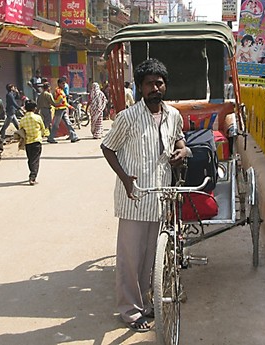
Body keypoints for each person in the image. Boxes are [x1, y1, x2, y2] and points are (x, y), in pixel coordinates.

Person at [100, 58, 191, 332]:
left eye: (159, 83)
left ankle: (148, 304)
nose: (156, 88)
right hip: (135, 199)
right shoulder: (127, 117)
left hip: (161, 197)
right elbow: (108, 148)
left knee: (153, 259)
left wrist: (183, 151)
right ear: (140, 87)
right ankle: (130, 311)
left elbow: (179, 139)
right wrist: (125, 178)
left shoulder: (173, 115)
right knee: (130, 260)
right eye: (150, 83)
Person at [19, 99, 49, 185]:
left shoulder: (23, 119)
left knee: (30, 159)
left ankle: (32, 173)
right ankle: (32, 177)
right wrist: (43, 135)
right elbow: (43, 128)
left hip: (28, 142)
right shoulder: (38, 117)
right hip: (36, 141)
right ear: (35, 108)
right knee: (35, 160)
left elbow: (20, 130)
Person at [46, 78, 80, 143]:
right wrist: (70, 106)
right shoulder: (58, 91)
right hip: (59, 109)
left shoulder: (61, 90)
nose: (64, 85)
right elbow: (62, 101)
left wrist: (69, 106)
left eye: (64, 83)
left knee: (68, 123)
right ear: (59, 84)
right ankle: (51, 137)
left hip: (63, 109)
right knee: (56, 124)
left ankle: (73, 136)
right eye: (62, 83)